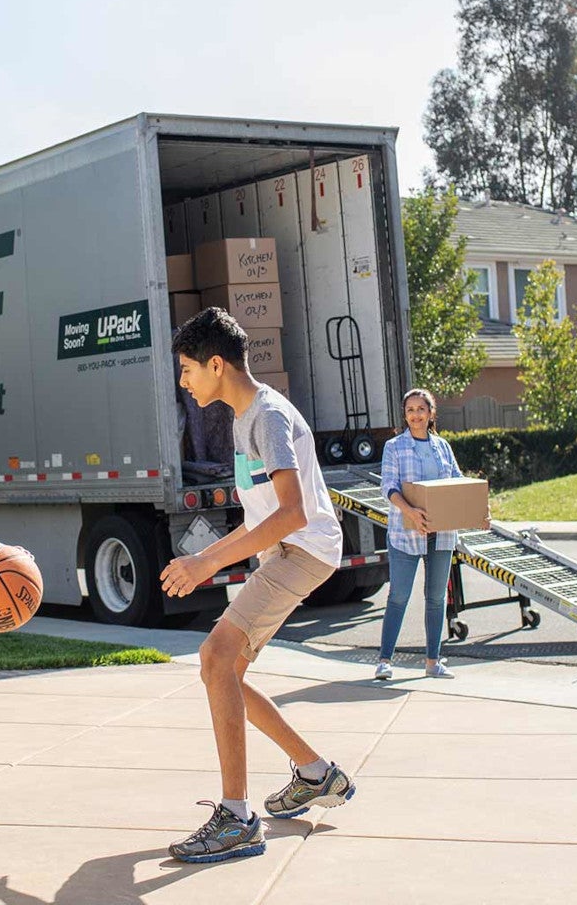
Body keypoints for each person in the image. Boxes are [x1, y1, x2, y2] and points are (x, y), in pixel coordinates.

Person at [162, 307, 356, 865]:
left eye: (187, 369)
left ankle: (237, 817)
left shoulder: (267, 417)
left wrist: (205, 563)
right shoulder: (245, 417)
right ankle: (316, 773)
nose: (183, 380)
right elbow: (263, 516)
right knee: (223, 672)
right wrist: (209, 560)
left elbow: (293, 513)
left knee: (215, 658)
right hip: (286, 549)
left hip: (302, 551)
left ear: (216, 364)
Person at [375, 387, 463, 682]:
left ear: (431, 413)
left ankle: (433, 662)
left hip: (441, 533)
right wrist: (410, 512)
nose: (416, 415)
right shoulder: (394, 447)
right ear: (405, 414)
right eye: (410, 410)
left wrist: (478, 511)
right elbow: (389, 486)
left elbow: (458, 484)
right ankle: (385, 660)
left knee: (436, 598)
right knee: (398, 596)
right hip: (405, 533)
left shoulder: (442, 447)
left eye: (421, 409)